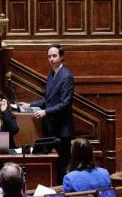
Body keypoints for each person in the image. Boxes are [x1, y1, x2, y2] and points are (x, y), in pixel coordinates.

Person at [21, 44, 74, 185]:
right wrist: (30, 105)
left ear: (62, 57)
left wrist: (45, 112)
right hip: (51, 129)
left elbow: (65, 103)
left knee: (62, 167)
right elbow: (48, 100)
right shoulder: (51, 75)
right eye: (49, 56)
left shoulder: (66, 76)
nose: (51, 59)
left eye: (54, 56)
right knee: (52, 165)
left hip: (62, 130)